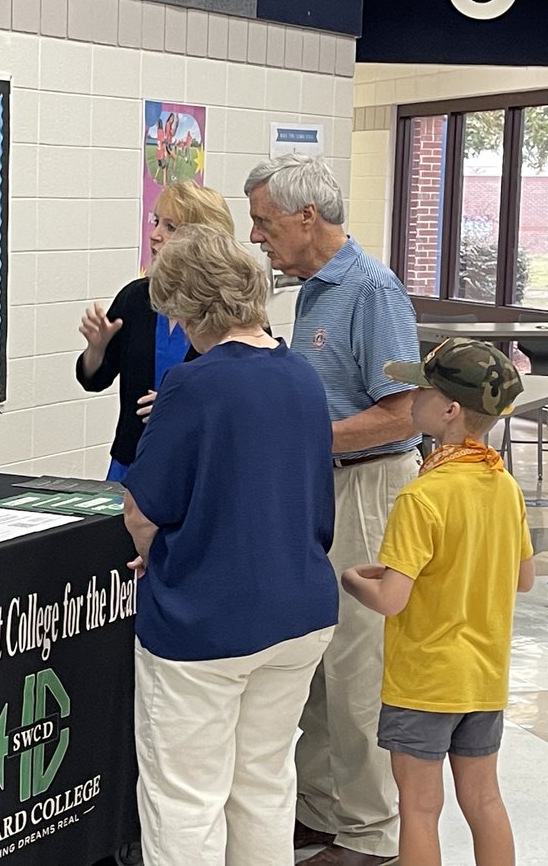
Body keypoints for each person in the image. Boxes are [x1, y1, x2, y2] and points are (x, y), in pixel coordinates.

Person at [122, 224, 338, 865]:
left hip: (206, 623)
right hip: (299, 611)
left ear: (189, 306)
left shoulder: (194, 384)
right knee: (264, 786)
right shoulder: (301, 375)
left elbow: (143, 509)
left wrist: (157, 554)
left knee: (186, 797)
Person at [244, 154, 421, 866]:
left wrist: (299, 436)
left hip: (371, 486)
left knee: (357, 666)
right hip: (323, 484)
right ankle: (321, 810)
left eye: (264, 222)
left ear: (306, 217)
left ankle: (370, 832)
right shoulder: (312, 292)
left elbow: (402, 413)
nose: (256, 236)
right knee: (317, 654)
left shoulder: (373, 290)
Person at [343, 338, 534, 866]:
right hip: (484, 677)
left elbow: (391, 599)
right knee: (485, 800)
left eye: (422, 390)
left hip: (424, 680)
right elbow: (523, 579)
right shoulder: (504, 485)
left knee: (420, 809)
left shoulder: (422, 495)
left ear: (449, 410)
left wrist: (353, 579)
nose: (411, 398)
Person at [77, 181, 235, 481]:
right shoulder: (136, 298)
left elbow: (242, 399)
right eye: (156, 221)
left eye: (171, 227)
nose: (155, 235)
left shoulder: (231, 309)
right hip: (131, 459)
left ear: (204, 239)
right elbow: (94, 380)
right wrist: (96, 351)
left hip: (198, 466)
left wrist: (181, 406)